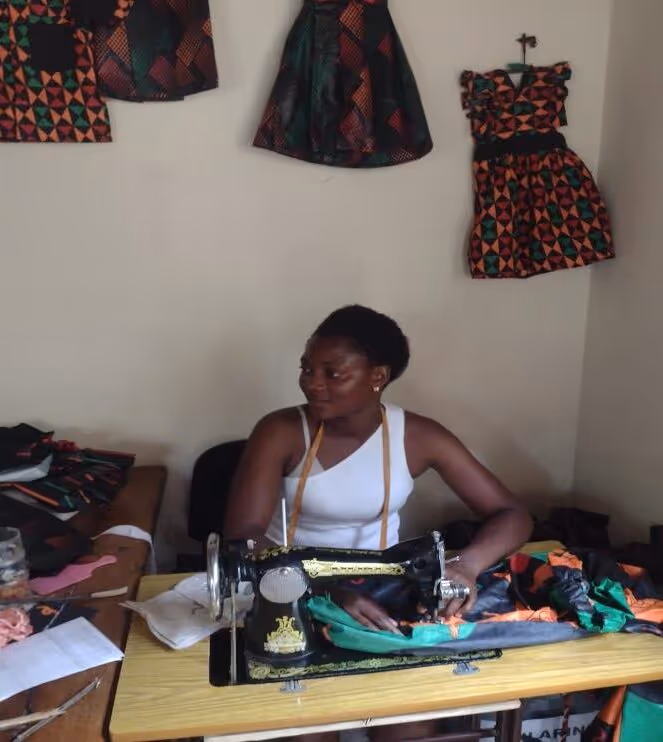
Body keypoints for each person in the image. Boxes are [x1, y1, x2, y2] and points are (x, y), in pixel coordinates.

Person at [224, 305, 533, 742]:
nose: (312, 383)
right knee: (307, 731)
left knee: (411, 727)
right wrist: (321, 590)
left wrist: (466, 565)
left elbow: (513, 514)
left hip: (376, 594)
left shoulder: (418, 436)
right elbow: (244, 538)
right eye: (307, 369)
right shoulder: (281, 431)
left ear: (378, 376)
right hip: (286, 591)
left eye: (332, 373)